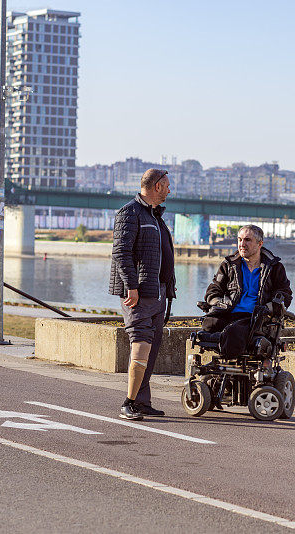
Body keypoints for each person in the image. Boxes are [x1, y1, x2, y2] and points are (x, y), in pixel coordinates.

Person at [109, 168, 176, 420]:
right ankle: (128, 402)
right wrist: (132, 286)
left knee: (153, 345)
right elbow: (121, 252)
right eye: (167, 185)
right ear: (157, 186)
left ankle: (141, 401)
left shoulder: (155, 216)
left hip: (157, 292)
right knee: (141, 344)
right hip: (138, 294)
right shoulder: (130, 212)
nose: (170, 190)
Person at [201, 225, 292, 358]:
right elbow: (213, 291)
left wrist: (270, 307)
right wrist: (219, 302)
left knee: (233, 331)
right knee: (208, 324)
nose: (242, 244)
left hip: (257, 317)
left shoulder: (275, 267)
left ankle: (227, 366)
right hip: (228, 312)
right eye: (240, 239)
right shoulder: (229, 265)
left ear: (260, 244)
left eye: (247, 240)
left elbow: (285, 294)